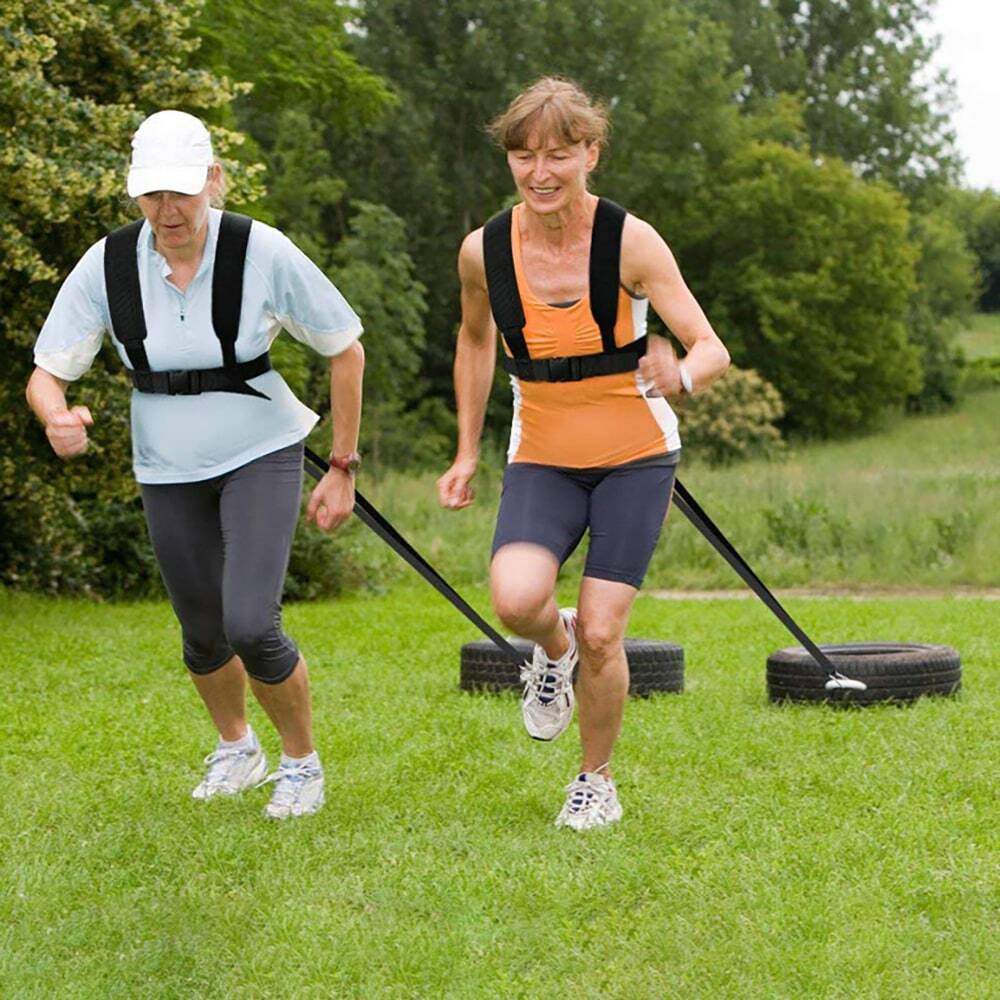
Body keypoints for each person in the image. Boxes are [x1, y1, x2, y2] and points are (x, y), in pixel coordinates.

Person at [26, 110, 365, 820]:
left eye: (181, 190)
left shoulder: (259, 250)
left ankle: (302, 764)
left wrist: (342, 464)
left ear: (214, 180)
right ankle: (237, 748)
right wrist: (54, 415)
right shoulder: (110, 263)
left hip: (259, 451)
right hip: (165, 463)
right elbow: (47, 371)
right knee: (201, 629)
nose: (168, 209)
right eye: (152, 194)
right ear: (135, 193)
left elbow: (344, 347)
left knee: (249, 621)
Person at [437, 78, 731, 830]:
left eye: (559, 155)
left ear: (590, 154)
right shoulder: (484, 252)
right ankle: (552, 651)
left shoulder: (631, 241)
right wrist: (467, 451)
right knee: (516, 600)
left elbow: (709, 346)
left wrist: (682, 376)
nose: (541, 172)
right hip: (542, 452)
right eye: (524, 156)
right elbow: (474, 342)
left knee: (606, 628)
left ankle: (595, 781)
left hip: (636, 453)